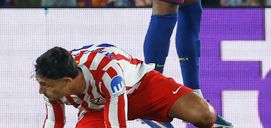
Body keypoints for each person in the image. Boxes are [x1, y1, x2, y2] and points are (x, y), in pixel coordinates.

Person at [34, 44, 225, 127]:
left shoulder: (107, 72)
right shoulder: (53, 82)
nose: (41, 90)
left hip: (141, 88)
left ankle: (153, 123)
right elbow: (54, 123)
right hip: (98, 109)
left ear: (67, 81)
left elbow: (115, 125)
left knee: (204, 116)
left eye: (44, 85)